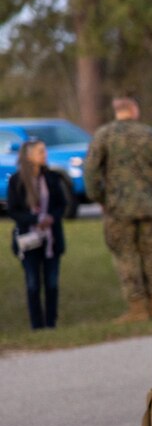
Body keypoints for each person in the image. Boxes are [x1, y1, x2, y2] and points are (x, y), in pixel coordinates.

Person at [85, 95, 152, 322]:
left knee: (126, 256)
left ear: (117, 111)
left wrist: (100, 199)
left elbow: (91, 172)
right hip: (148, 205)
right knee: (151, 254)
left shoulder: (104, 135)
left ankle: (137, 307)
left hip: (118, 208)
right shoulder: (149, 134)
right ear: (134, 110)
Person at [8, 139, 67, 329]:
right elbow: (13, 210)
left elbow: (61, 204)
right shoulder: (17, 181)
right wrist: (35, 220)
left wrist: (51, 218)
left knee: (52, 283)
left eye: (44, 150)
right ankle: (37, 325)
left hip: (51, 239)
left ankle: (51, 323)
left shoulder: (52, 177)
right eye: (40, 151)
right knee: (33, 284)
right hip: (29, 239)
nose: (45, 154)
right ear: (29, 156)